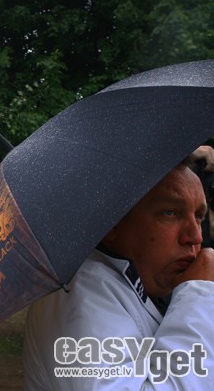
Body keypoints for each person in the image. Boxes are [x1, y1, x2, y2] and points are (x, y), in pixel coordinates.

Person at [23, 149, 214, 390]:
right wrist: (198, 296)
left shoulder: (135, 285)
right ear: (112, 222)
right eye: (170, 213)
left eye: (199, 216)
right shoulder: (83, 292)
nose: (195, 236)